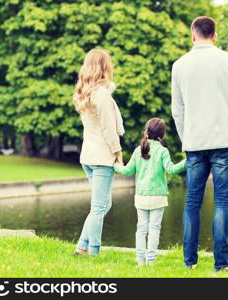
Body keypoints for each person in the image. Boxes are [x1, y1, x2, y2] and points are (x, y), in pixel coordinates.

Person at [171, 16, 228, 271]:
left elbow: (177, 110)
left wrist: (187, 138)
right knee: (222, 201)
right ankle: (221, 263)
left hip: (195, 143)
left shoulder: (179, 65)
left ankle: (189, 262)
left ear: (193, 36)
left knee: (192, 201)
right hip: (225, 140)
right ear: (214, 35)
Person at [73, 48, 125, 256]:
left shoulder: (84, 93)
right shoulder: (101, 95)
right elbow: (108, 128)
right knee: (99, 206)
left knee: (102, 204)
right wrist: (117, 152)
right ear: (104, 67)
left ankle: (82, 247)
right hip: (102, 157)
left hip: (88, 155)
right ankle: (92, 251)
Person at [114, 118, 186, 265]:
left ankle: (140, 261)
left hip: (141, 197)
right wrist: (188, 161)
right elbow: (171, 169)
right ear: (162, 135)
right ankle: (151, 260)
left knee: (141, 229)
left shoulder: (137, 150)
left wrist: (115, 165)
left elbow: (127, 171)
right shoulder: (162, 151)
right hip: (158, 197)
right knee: (154, 229)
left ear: (146, 131)